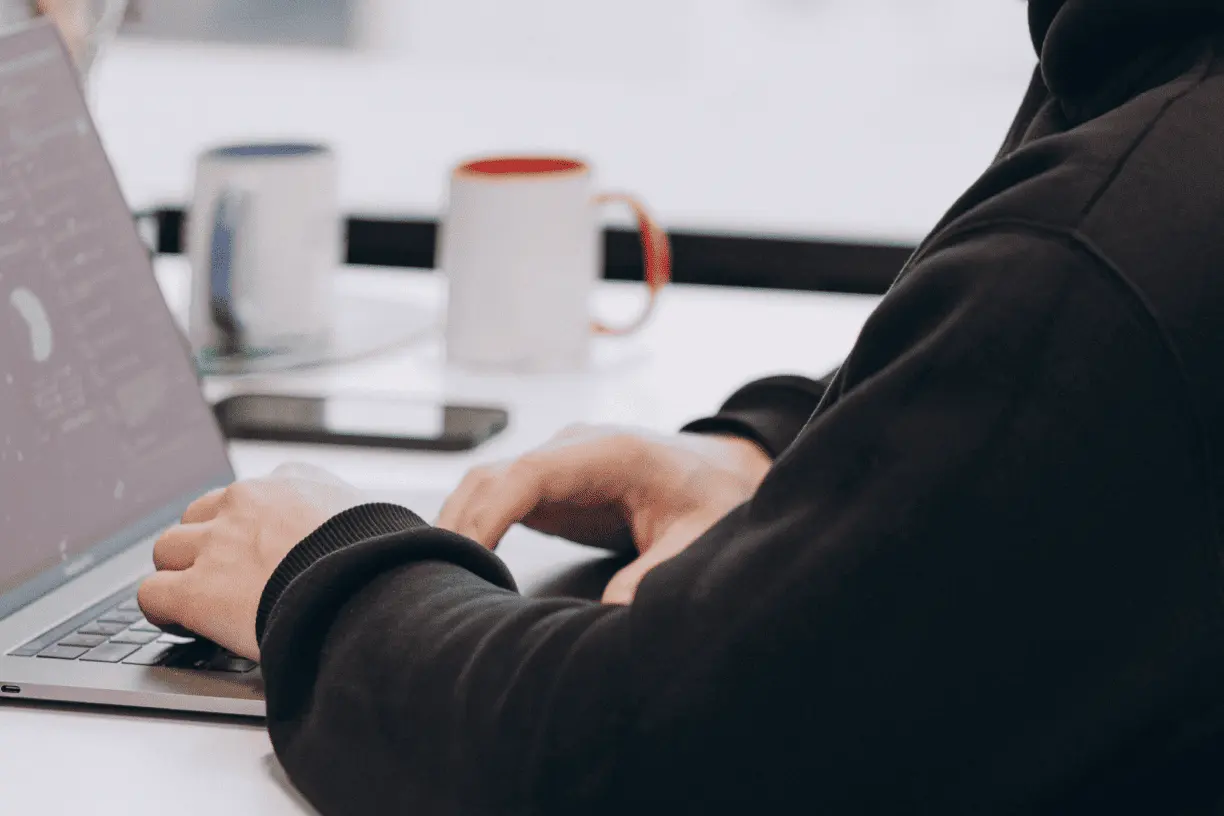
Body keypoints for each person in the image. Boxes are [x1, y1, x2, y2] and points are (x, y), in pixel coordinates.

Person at [139, 0, 1224, 812]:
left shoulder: (1114, 233)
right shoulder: (1140, 79)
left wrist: (319, 572)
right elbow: (1067, 416)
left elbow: (633, 759)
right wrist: (774, 467)